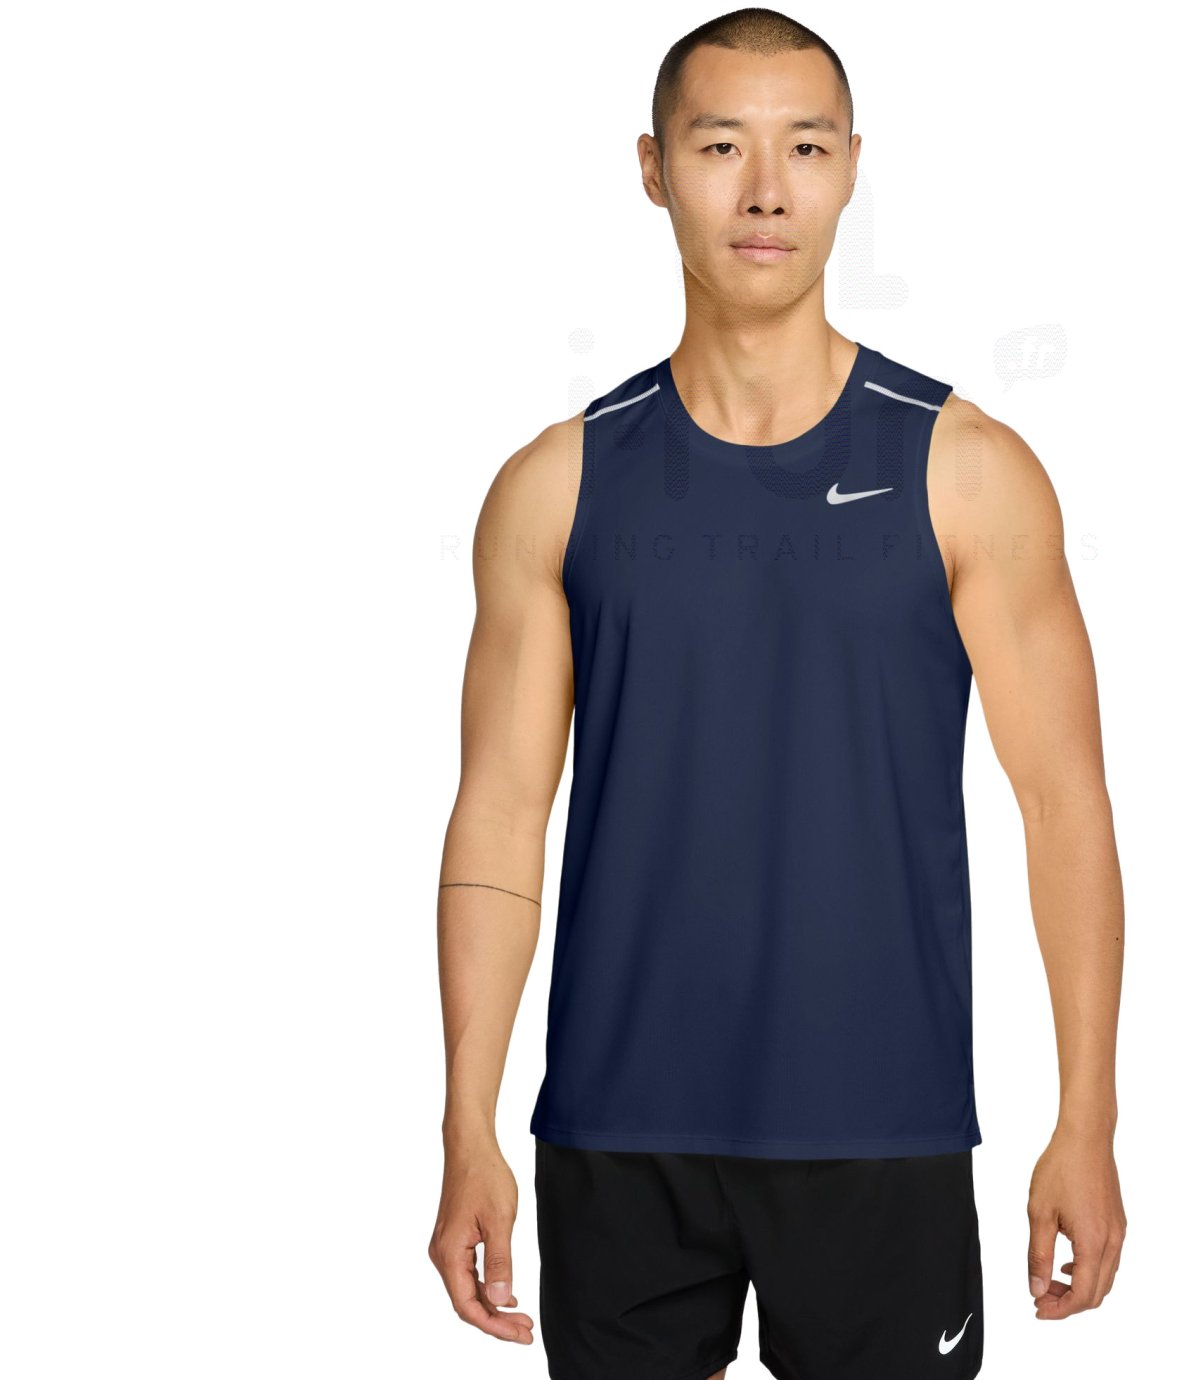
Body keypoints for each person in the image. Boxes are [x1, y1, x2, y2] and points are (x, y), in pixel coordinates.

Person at [429, 10, 1125, 1377]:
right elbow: (500, 817)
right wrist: (467, 1126)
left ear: (851, 166)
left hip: (882, 1124)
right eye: (719, 148)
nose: (765, 191)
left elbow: (1064, 808)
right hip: (618, 1130)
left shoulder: (966, 470)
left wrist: (1086, 1117)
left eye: (803, 148)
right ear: (653, 169)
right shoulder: (558, 485)